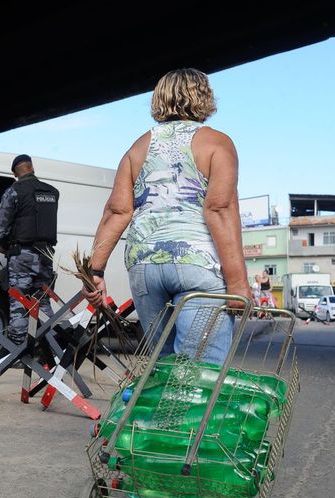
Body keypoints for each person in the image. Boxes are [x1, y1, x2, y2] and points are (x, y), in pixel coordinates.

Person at [82, 68, 251, 365]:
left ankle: (161, 410)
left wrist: (94, 272)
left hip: (145, 266)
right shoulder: (217, 144)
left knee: (162, 369)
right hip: (198, 263)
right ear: (205, 97)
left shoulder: (137, 148)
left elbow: (117, 211)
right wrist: (237, 284)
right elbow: (220, 209)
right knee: (198, 374)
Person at [0, 154, 59, 345]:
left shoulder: (14, 191)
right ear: (32, 168)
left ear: (15, 173)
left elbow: (2, 225)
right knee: (43, 301)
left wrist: (1, 244)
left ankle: (19, 348)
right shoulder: (52, 192)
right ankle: (51, 346)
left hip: (22, 255)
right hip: (46, 255)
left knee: (19, 302)